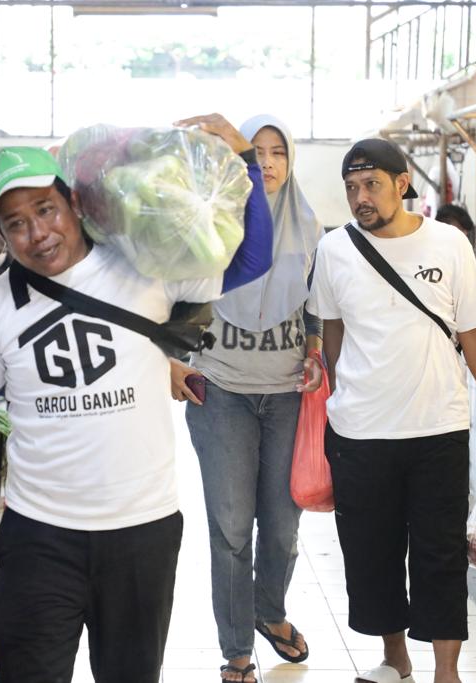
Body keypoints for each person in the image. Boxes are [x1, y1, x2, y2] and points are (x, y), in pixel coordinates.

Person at [0, 113, 275, 683]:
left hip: (142, 529)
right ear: (2, 233)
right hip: (38, 534)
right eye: (16, 224)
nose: (37, 233)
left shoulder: (145, 266)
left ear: (74, 203)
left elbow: (253, 260)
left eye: (45, 210)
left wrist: (247, 161)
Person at [307, 139, 476, 683]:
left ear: (402, 184)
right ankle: (395, 658)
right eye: (352, 188)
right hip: (360, 432)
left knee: (441, 553)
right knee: (372, 552)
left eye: (371, 185)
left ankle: (446, 671)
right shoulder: (334, 249)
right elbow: (332, 334)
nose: (360, 197)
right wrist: (340, 393)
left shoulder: (448, 244)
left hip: (438, 426)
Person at [169, 115, 323, 683]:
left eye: (277, 151)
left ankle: (269, 611)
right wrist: (171, 358)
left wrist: (315, 350)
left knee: (282, 526)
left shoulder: (310, 225)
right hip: (222, 392)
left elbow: (315, 305)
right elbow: (176, 298)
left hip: (287, 395)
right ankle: (237, 651)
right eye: (254, 151)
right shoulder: (212, 220)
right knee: (231, 528)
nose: (266, 161)